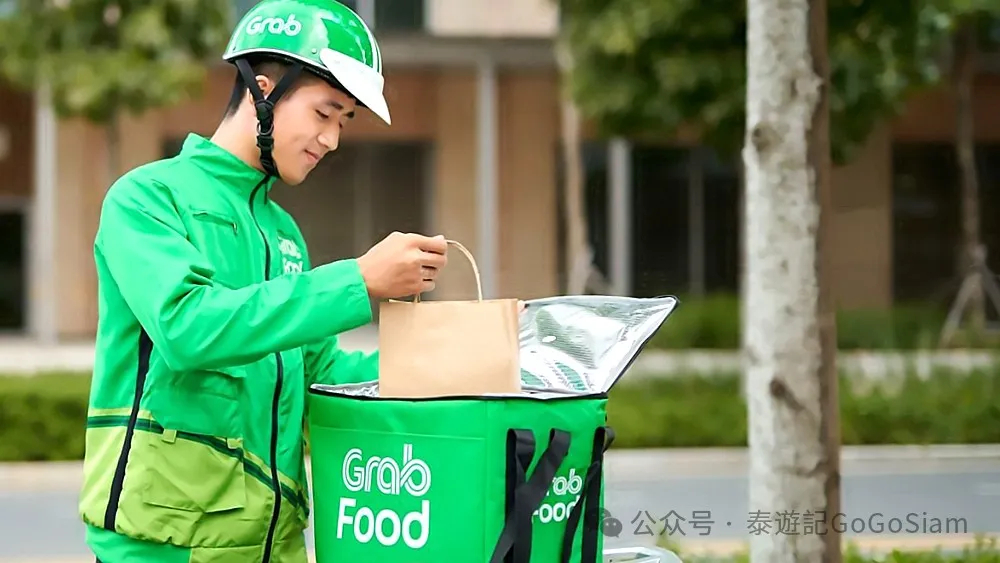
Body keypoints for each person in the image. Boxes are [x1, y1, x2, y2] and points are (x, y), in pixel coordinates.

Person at [77, 1, 454, 561]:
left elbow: (321, 375)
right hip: (165, 545)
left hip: (274, 545)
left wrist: (451, 355)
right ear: (263, 89)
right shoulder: (147, 198)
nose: (332, 139)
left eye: (343, 121)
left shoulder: (284, 233)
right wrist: (359, 281)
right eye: (324, 113)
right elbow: (187, 328)